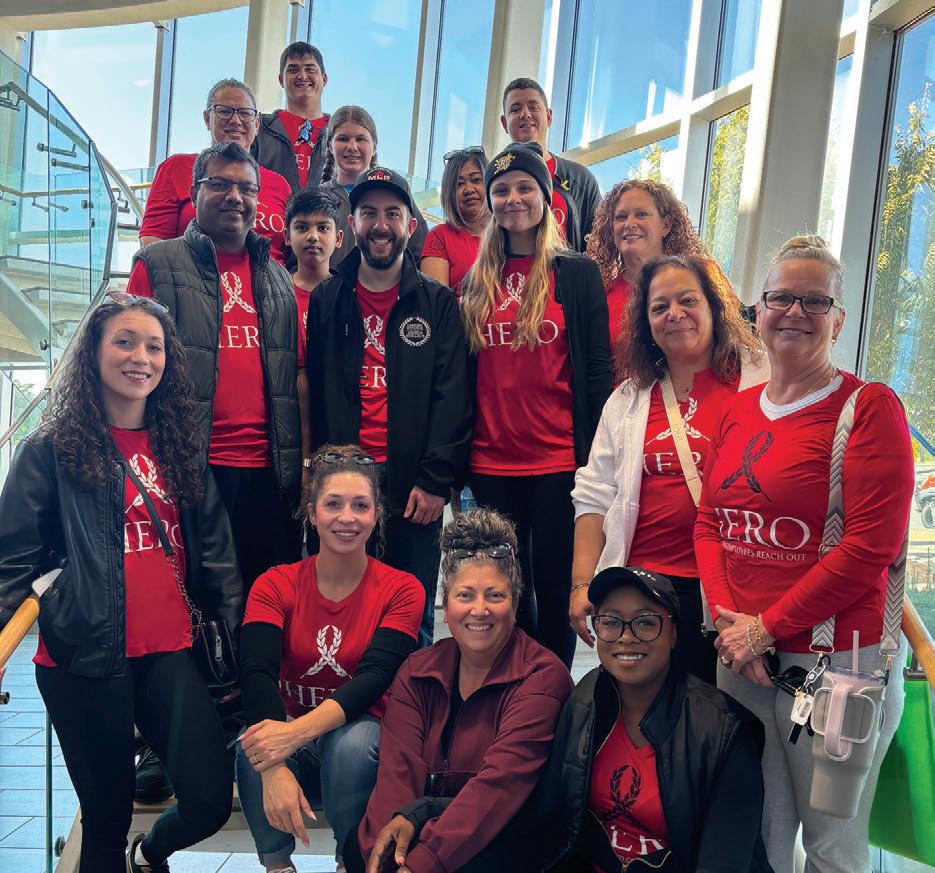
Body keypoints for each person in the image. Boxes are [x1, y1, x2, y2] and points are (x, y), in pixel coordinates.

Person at [694, 235, 914, 873]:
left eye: (815, 301)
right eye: (781, 298)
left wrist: (766, 627)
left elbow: (871, 546)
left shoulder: (868, 409)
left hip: (840, 665)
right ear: (758, 310)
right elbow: (710, 523)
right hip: (743, 658)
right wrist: (732, 626)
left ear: (838, 320)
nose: (795, 312)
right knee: (760, 831)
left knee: (831, 844)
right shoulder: (739, 411)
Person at [0, 294, 241, 873]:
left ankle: (150, 854)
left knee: (208, 800)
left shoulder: (179, 446)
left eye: (154, 347)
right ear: (94, 353)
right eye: (125, 342)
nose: (141, 358)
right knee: (104, 822)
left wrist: (232, 639)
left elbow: (217, 557)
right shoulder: (49, 450)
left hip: (171, 652)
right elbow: (11, 564)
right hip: (84, 658)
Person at [569, 254, 767, 684]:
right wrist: (582, 584)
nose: (674, 314)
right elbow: (594, 493)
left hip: (731, 591)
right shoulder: (629, 397)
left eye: (688, 300)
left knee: (721, 708)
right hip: (643, 589)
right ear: (646, 323)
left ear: (715, 307)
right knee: (646, 708)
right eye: (659, 307)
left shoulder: (763, 383)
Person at [346, 509, 573, 873]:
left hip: (508, 834)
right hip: (429, 820)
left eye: (495, 595)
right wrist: (383, 853)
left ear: (516, 603)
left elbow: (497, 790)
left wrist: (418, 866)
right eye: (465, 595)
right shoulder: (418, 671)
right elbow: (397, 776)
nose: (479, 610)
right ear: (446, 604)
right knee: (361, 849)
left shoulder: (543, 678)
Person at [235, 445, 424, 873]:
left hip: (363, 743)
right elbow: (257, 672)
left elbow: (374, 679)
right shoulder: (275, 584)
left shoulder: (402, 589)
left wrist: (290, 735)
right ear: (312, 513)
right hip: (295, 741)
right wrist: (273, 762)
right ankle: (277, 865)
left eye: (361, 505)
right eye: (333, 504)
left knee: (350, 745)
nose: (347, 518)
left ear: (377, 514)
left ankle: (350, 860)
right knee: (253, 742)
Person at [305, 166, 472, 649]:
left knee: (410, 609)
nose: (381, 225)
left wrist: (436, 480)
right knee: (342, 604)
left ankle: (410, 693)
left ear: (410, 225)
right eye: (369, 213)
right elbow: (317, 390)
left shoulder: (437, 302)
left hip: (412, 482)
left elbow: (453, 396)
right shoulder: (328, 298)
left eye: (392, 214)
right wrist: (317, 471)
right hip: (344, 479)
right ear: (352, 223)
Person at [460, 140, 612, 668]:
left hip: (557, 462)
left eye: (525, 187)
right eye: (501, 190)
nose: (513, 198)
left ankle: (550, 689)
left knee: (554, 585)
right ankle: (513, 684)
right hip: (490, 462)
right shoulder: (476, 281)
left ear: (546, 198)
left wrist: (596, 458)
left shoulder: (576, 273)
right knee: (506, 586)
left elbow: (596, 371)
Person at [127, 141, 302, 592]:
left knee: (265, 601)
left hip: (267, 474)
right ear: (194, 192)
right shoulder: (157, 265)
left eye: (246, 188)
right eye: (220, 184)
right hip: (191, 469)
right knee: (197, 601)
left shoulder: (278, 278)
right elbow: (128, 375)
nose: (234, 197)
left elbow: (290, 379)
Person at [532, 566, 772, 872]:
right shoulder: (584, 699)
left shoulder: (724, 731)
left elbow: (724, 859)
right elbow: (556, 822)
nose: (626, 637)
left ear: (673, 633)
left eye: (646, 622)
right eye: (610, 622)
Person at [140, 78, 293, 266]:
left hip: (269, 283)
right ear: (207, 118)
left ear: (257, 125)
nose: (235, 120)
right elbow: (153, 243)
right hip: (194, 279)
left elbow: (292, 251)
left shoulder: (279, 184)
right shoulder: (177, 168)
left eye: (245, 113)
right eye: (225, 111)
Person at [585, 178, 710, 344]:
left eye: (641, 214)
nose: (629, 223)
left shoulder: (703, 281)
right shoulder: (600, 298)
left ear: (665, 225)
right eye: (621, 217)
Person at [317, 105, 429, 266]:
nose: (352, 147)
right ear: (329, 146)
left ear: (374, 147)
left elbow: (422, 253)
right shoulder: (318, 197)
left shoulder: (396, 191)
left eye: (360, 139)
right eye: (343, 139)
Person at [500, 77, 601, 253]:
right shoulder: (493, 183)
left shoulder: (581, 180)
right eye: (516, 109)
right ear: (504, 123)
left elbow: (599, 244)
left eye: (533, 107)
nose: (525, 114)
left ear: (548, 116)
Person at [285, 189, 344, 483]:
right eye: (302, 227)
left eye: (323, 228)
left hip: (335, 422)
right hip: (285, 422)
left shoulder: (348, 295)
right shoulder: (275, 293)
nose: (312, 236)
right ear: (287, 236)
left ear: (339, 238)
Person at [252, 41, 330, 192]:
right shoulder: (259, 128)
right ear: (281, 80)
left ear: (324, 79)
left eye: (310, 69)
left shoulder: (340, 134)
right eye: (293, 70)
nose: (302, 76)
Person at [421, 146, 490, 296]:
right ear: (449, 193)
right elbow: (436, 304)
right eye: (459, 184)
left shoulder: (509, 234)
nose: (468, 189)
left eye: (476, 180)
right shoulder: (440, 236)